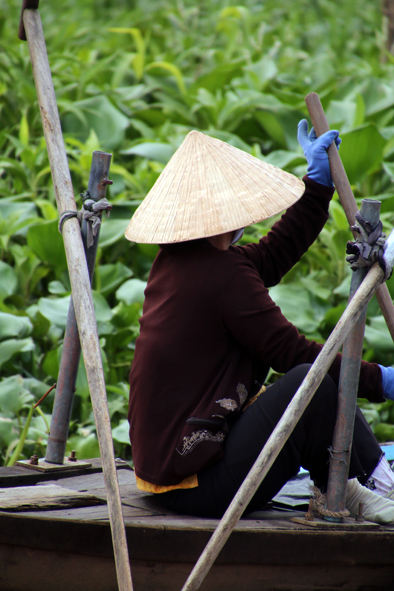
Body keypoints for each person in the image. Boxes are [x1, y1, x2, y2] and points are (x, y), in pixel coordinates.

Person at [125, 123, 394, 523]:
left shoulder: (179, 261)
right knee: (310, 381)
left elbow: (270, 255)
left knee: (307, 385)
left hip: (167, 473)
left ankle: (360, 484)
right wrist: (382, 381)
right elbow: (292, 353)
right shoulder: (222, 275)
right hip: (199, 485)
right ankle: (378, 481)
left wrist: (318, 185)